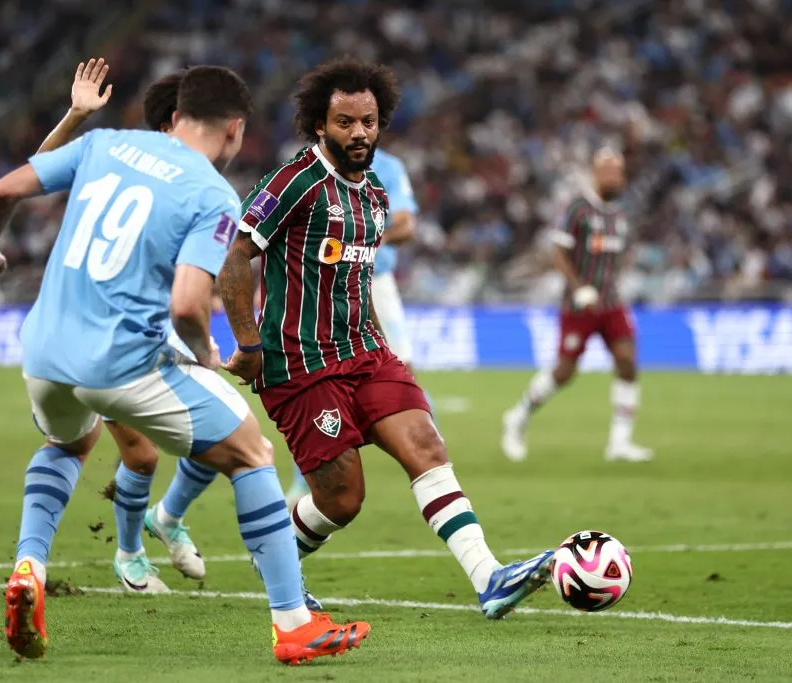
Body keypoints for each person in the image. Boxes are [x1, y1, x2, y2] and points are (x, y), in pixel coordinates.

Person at [0, 64, 370, 664]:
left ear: (176, 117)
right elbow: (185, 305)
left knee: (68, 445)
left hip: (44, 351)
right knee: (251, 452)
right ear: (235, 130)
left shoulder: (104, 144)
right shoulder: (212, 193)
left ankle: (29, 567)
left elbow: (2, 191)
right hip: (121, 362)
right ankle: (293, 624)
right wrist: (203, 354)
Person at [217, 57, 554, 620]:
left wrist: (383, 345)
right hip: (301, 364)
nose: (359, 133)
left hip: (366, 353)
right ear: (320, 125)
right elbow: (235, 260)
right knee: (342, 499)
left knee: (427, 446)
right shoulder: (293, 181)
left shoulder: (374, 194)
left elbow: (358, 278)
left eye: (368, 122)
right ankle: (278, 557)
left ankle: (489, 578)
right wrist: (249, 346)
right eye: (345, 122)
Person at [34, 60, 209, 590]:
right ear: (175, 122)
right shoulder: (120, 158)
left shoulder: (195, 179)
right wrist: (74, 117)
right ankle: (130, 555)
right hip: (100, 330)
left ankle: (167, 518)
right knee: (142, 452)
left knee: (220, 431)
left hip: (149, 324)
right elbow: (37, 172)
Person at [283, 145, 421, 509]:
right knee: (322, 378)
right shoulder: (309, 168)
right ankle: (304, 481)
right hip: (325, 283)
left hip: (376, 280)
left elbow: (406, 224)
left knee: (402, 373)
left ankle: (426, 464)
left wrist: (369, 240)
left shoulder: (388, 167)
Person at [501, 148, 653, 463]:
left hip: (611, 303)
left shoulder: (620, 215)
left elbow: (617, 257)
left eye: (620, 172)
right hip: (579, 306)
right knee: (564, 371)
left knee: (627, 361)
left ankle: (620, 443)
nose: (617, 178)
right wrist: (579, 287)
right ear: (597, 174)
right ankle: (518, 417)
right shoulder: (578, 209)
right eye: (610, 172)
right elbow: (559, 254)